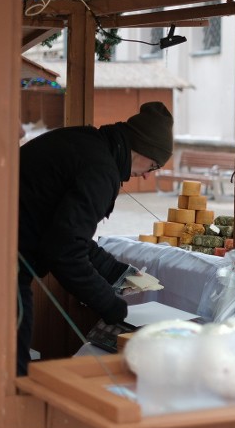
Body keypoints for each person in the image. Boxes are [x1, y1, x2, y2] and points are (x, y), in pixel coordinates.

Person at [17, 101, 174, 376]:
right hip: (3, 261)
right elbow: (64, 249)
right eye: (153, 164)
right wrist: (109, 304)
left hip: (0, 248)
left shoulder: (89, 144)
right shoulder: (101, 170)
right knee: (13, 360)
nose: (148, 175)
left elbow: (66, 232)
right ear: (141, 148)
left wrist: (115, 271)